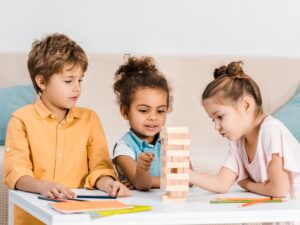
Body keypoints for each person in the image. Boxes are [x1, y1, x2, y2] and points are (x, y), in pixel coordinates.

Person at [4, 33, 130, 225]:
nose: (77, 88)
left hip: (79, 217)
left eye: (80, 80)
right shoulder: (21, 120)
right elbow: (17, 173)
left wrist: (108, 183)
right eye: (68, 81)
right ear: (42, 82)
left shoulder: (90, 119)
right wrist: (43, 186)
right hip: (33, 218)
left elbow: (100, 167)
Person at [190, 61, 300, 201]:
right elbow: (222, 183)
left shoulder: (270, 129)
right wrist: (185, 174)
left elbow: (279, 189)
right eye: (213, 119)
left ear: (246, 105)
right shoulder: (237, 142)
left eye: (220, 116)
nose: (216, 126)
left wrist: (247, 184)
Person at [112, 55, 172, 190]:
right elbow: (142, 184)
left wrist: (152, 180)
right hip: (135, 207)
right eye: (144, 110)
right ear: (125, 112)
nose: (153, 117)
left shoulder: (168, 141)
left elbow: (188, 177)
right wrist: (143, 170)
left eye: (161, 111)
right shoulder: (124, 147)